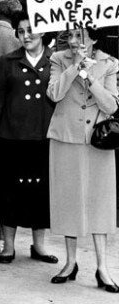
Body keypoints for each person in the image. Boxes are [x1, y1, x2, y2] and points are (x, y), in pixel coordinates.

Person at [47, 28, 119, 291]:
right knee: (69, 200)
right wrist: (75, 67)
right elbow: (53, 94)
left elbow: (111, 106)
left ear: (94, 39)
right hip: (65, 138)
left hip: (98, 140)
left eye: (81, 36)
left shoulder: (110, 64)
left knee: (100, 202)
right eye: (71, 36)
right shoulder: (58, 59)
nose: (74, 42)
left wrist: (89, 75)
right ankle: (70, 262)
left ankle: (103, 267)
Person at [0, 11, 57, 264]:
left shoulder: (55, 61)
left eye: (30, 30)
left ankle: (39, 246)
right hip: (11, 137)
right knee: (9, 192)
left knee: (40, 193)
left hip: (44, 137)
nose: (25, 36)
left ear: (44, 31)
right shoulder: (7, 61)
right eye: (21, 31)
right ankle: (9, 246)